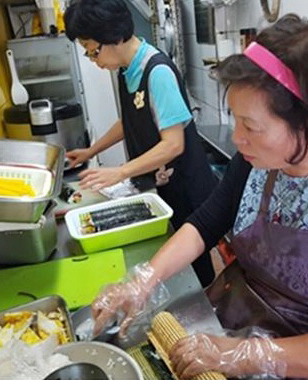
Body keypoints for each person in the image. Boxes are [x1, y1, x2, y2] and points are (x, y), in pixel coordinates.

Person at [90, 13, 308, 379]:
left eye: (251, 126)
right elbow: (206, 222)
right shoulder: (257, 160)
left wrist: (253, 355)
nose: (237, 138)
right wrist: (144, 279)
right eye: (234, 119)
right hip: (244, 322)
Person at [63, 0, 217, 287]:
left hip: (185, 187)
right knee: (169, 257)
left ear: (116, 36)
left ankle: (207, 307)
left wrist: (120, 172)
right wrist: (91, 151)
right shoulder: (126, 69)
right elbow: (129, 121)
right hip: (159, 187)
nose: (94, 61)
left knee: (194, 262)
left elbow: (173, 145)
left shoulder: (157, 72)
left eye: (94, 52)